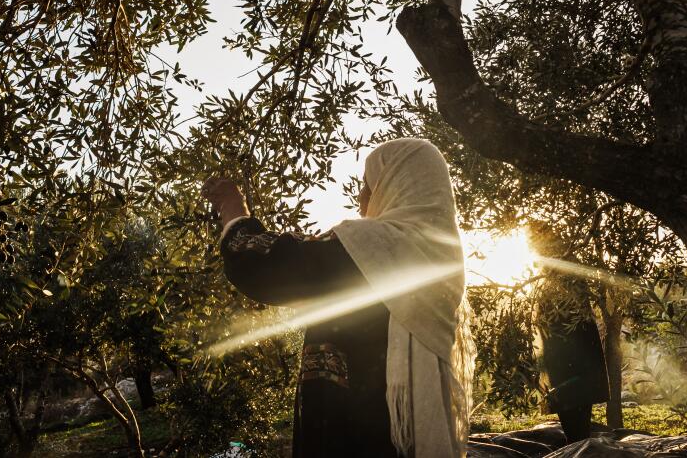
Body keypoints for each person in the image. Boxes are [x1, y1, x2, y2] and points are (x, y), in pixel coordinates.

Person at [202, 138, 474, 458]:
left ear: (394, 185)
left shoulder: (374, 249)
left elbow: (270, 268)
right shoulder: (442, 261)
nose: (361, 197)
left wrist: (233, 208)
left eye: (369, 185)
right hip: (406, 435)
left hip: (354, 432)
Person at [527, 222, 609, 443]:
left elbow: (571, 323)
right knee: (575, 429)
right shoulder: (556, 274)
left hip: (573, 368)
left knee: (577, 429)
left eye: (533, 243)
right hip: (569, 369)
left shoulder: (564, 276)